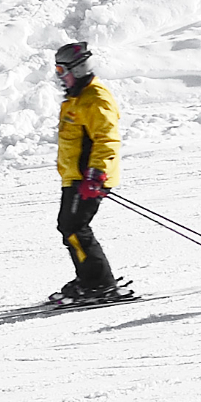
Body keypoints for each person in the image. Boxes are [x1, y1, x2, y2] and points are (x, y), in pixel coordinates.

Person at [49, 40, 130, 305]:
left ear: (78, 70)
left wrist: (97, 174)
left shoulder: (95, 98)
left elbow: (107, 139)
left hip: (89, 179)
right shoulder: (77, 98)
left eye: (62, 71)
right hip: (76, 177)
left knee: (74, 226)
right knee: (70, 226)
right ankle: (90, 279)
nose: (60, 77)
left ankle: (99, 284)